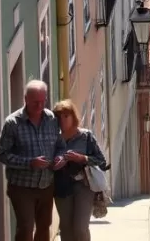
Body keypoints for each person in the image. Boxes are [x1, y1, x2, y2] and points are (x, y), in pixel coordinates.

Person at [0, 80, 60, 241]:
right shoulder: (13, 123)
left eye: (42, 101)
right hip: (22, 187)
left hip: (46, 185)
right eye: (35, 102)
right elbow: (2, 154)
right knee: (25, 228)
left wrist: (59, 158)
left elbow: (59, 145)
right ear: (26, 99)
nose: (39, 106)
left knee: (44, 226)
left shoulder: (51, 119)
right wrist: (29, 162)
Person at [51, 99, 109, 241]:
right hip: (61, 187)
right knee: (66, 229)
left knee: (80, 228)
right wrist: (55, 163)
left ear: (73, 117)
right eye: (59, 117)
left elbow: (101, 161)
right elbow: (46, 162)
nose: (62, 120)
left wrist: (82, 158)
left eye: (66, 116)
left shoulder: (85, 136)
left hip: (84, 185)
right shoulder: (53, 139)